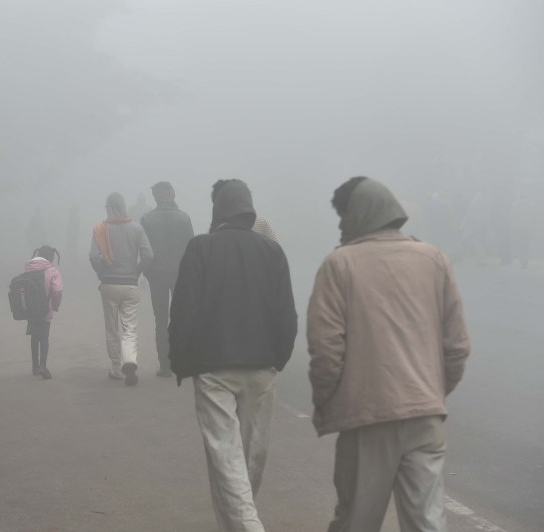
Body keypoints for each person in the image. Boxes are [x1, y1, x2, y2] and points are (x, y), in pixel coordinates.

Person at [307, 176, 470, 532]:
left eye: (343, 215)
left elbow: (326, 351)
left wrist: (326, 401)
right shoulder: (434, 259)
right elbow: (457, 346)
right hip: (425, 416)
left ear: (359, 213)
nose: (340, 225)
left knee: (356, 521)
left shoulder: (340, 265)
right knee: (427, 523)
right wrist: (431, 392)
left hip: (367, 417)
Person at [169, 179, 297, 532]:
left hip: (214, 371)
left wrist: (179, 360)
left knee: (226, 460)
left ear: (218, 210)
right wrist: (278, 359)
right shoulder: (272, 252)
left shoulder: (201, 247)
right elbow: (286, 315)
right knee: (251, 460)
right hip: (262, 368)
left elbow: (183, 311)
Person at [90, 192, 153, 386]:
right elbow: (149, 255)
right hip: (130, 284)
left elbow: (93, 256)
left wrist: (102, 272)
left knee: (112, 328)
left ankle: (116, 368)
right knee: (129, 328)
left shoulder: (101, 229)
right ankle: (130, 361)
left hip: (109, 284)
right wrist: (136, 271)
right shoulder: (136, 228)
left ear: (108, 207)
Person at [140, 181, 194, 377]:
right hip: (179, 274)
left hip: (157, 275)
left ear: (155, 197)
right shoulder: (184, 218)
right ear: (172, 194)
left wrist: (146, 271)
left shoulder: (147, 219)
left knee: (161, 319)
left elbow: (144, 250)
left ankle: (165, 365)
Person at [23, 246, 64, 380]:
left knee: (34, 337)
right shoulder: (53, 271)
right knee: (44, 337)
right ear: (51, 258)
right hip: (45, 309)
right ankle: (43, 366)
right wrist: (55, 306)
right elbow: (57, 291)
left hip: (31, 309)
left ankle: (35, 366)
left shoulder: (29, 268)